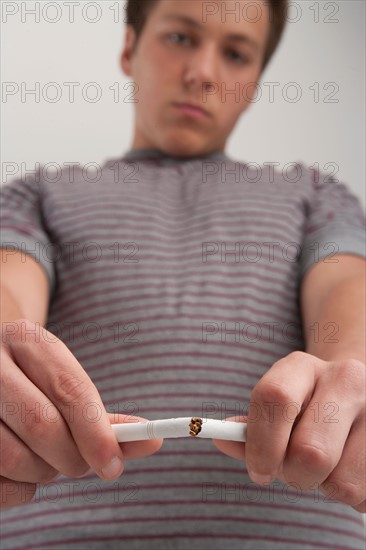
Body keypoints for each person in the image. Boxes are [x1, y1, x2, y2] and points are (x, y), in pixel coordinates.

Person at [0, 0, 365, 548]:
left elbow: (346, 287)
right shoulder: (37, 194)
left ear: (255, 82)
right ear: (129, 48)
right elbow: (8, 284)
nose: (204, 74)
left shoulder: (316, 193)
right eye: (180, 39)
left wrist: (350, 373)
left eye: (237, 54)